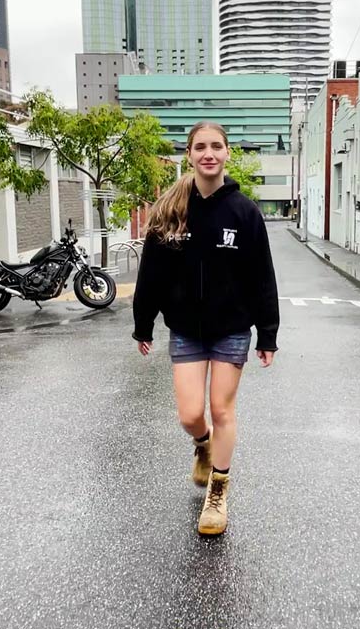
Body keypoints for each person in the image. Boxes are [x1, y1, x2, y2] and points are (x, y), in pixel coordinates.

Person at [132, 121, 280, 537]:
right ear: (190, 154)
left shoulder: (245, 213)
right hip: (185, 329)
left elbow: (262, 278)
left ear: (227, 153)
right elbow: (151, 275)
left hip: (232, 328)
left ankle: (218, 492)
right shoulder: (171, 210)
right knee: (191, 414)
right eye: (201, 147)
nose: (209, 153)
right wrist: (143, 323)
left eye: (216, 146)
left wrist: (268, 333)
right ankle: (202, 445)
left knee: (222, 410)